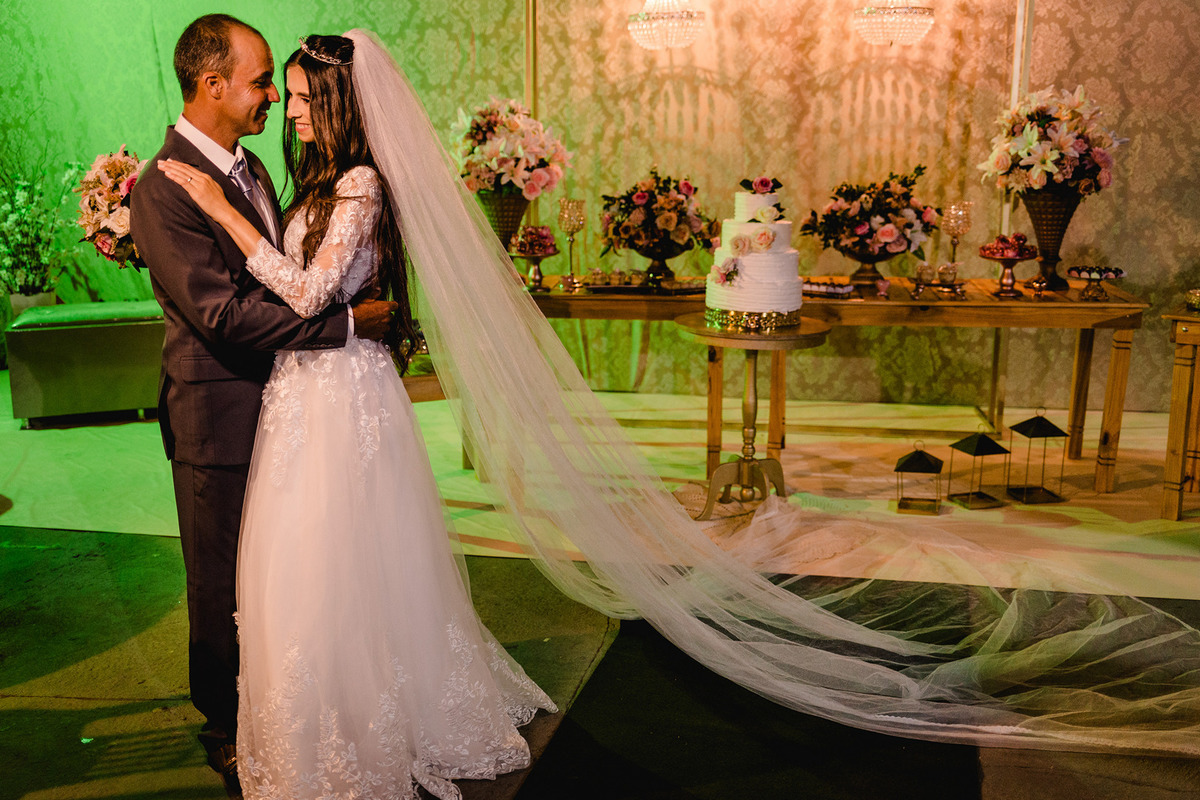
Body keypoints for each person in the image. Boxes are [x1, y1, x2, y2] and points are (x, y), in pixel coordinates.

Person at [157, 32, 556, 800]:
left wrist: (222, 212)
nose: (286, 106)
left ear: (338, 101)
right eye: (279, 89)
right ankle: (308, 711)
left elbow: (306, 294)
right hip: (300, 390)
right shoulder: (312, 180)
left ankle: (365, 712)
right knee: (306, 558)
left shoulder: (361, 183)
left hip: (339, 392)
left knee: (344, 551)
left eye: (302, 97)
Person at [129, 15, 396, 797]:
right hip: (219, 413)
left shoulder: (248, 169)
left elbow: (279, 268)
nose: (274, 98)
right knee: (220, 580)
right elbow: (220, 313)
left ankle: (288, 707)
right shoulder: (165, 184)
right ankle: (225, 724)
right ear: (212, 85)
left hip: (287, 404)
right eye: (260, 83)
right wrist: (343, 324)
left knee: (283, 575)